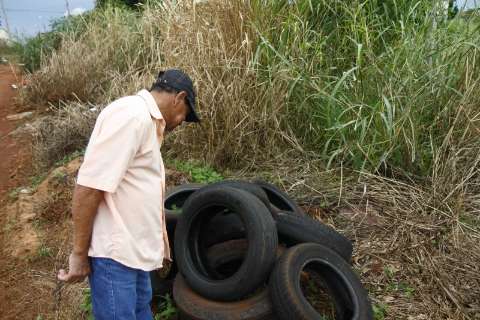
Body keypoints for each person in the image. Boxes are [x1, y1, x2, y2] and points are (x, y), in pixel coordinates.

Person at [57, 69, 200, 319]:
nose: (180, 123)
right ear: (179, 98)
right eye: (184, 115)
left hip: (133, 256)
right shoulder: (132, 116)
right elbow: (90, 187)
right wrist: (79, 254)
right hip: (116, 258)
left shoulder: (146, 121)